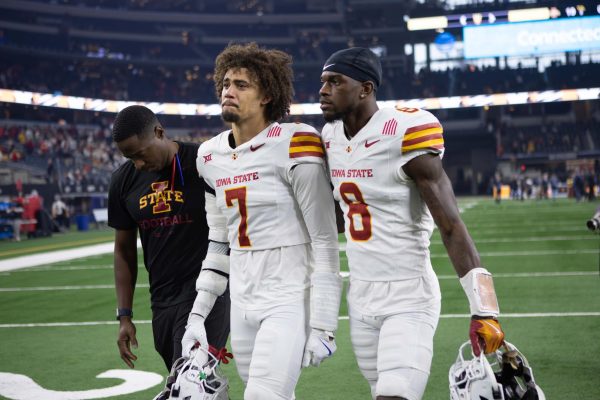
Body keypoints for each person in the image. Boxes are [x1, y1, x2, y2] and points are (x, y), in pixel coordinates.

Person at [319, 47, 505, 400]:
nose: (323, 90)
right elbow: (345, 213)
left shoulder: (404, 130)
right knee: (381, 393)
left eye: (335, 81)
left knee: (395, 395)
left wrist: (485, 309)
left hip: (408, 295)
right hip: (359, 296)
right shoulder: (330, 138)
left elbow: (450, 224)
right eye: (323, 82)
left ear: (365, 89)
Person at [181, 42, 342, 400]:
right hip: (242, 297)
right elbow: (219, 241)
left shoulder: (296, 142)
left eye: (241, 84)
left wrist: (324, 325)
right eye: (225, 83)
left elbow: (325, 239)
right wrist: (198, 314)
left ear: (267, 94)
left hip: (288, 295)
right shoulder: (209, 155)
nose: (229, 91)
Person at [107, 105, 230, 371]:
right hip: (162, 300)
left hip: (207, 292)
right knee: (195, 385)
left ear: (159, 132)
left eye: (140, 154)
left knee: (188, 380)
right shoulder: (123, 181)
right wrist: (124, 316)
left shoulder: (204, 161)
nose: (138, 165)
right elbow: (124, 252)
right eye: (130, 159)